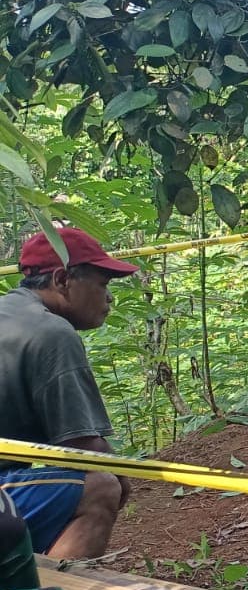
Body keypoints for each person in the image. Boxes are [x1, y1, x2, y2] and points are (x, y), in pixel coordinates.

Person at [0, 228, 134, 558]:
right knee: (101, 488)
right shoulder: (51, 333)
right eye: (102, 284)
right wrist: (124, 479)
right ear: (62, 280)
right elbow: (81, 447)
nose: (109, 297)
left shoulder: (10, 315)